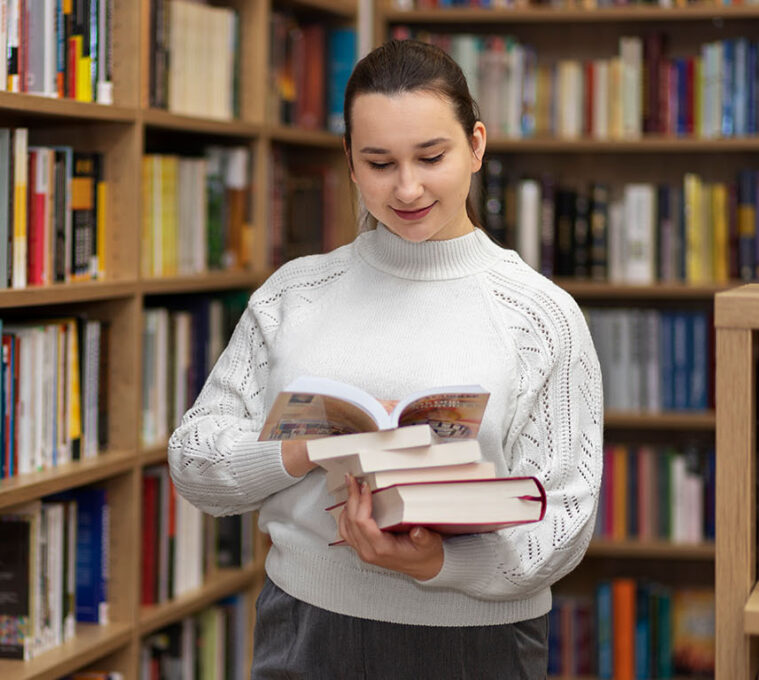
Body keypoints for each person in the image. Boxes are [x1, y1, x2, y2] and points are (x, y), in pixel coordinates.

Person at [167, 39, 603, 678]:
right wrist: (304, 447)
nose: (406, 188)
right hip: (306, 627)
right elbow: (194, 461)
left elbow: (561, 521)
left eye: (432, 157)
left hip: (478, 645)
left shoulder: (542, 316)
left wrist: (433, 562)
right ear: (348, 160)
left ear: (476, 145)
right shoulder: (295, 293)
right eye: (378, 162)